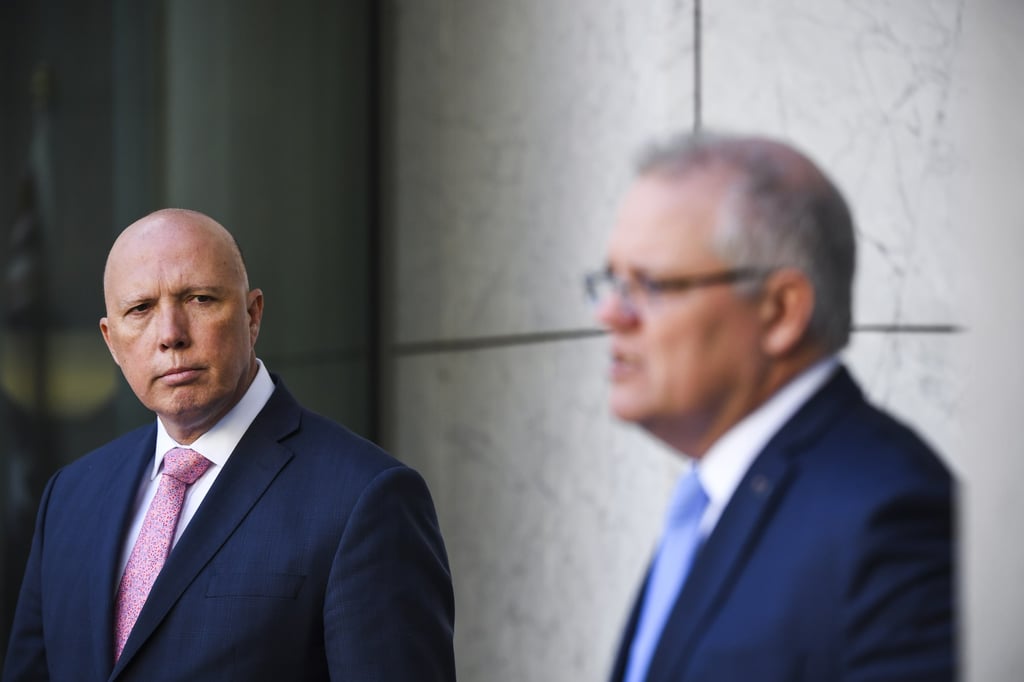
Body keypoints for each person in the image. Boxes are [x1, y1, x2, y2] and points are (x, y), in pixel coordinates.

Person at [3, 209, 456, 681]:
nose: (170, 334)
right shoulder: (69, 498)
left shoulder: (366, 499)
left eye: (199, 299)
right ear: (111, 340)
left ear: (252, 313)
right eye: (140, 309)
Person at [587, 132, 955, 681]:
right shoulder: (710, 499)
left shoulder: (887, 516)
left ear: (781, 311)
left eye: (652, 285)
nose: (611, 314)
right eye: (614, 281)